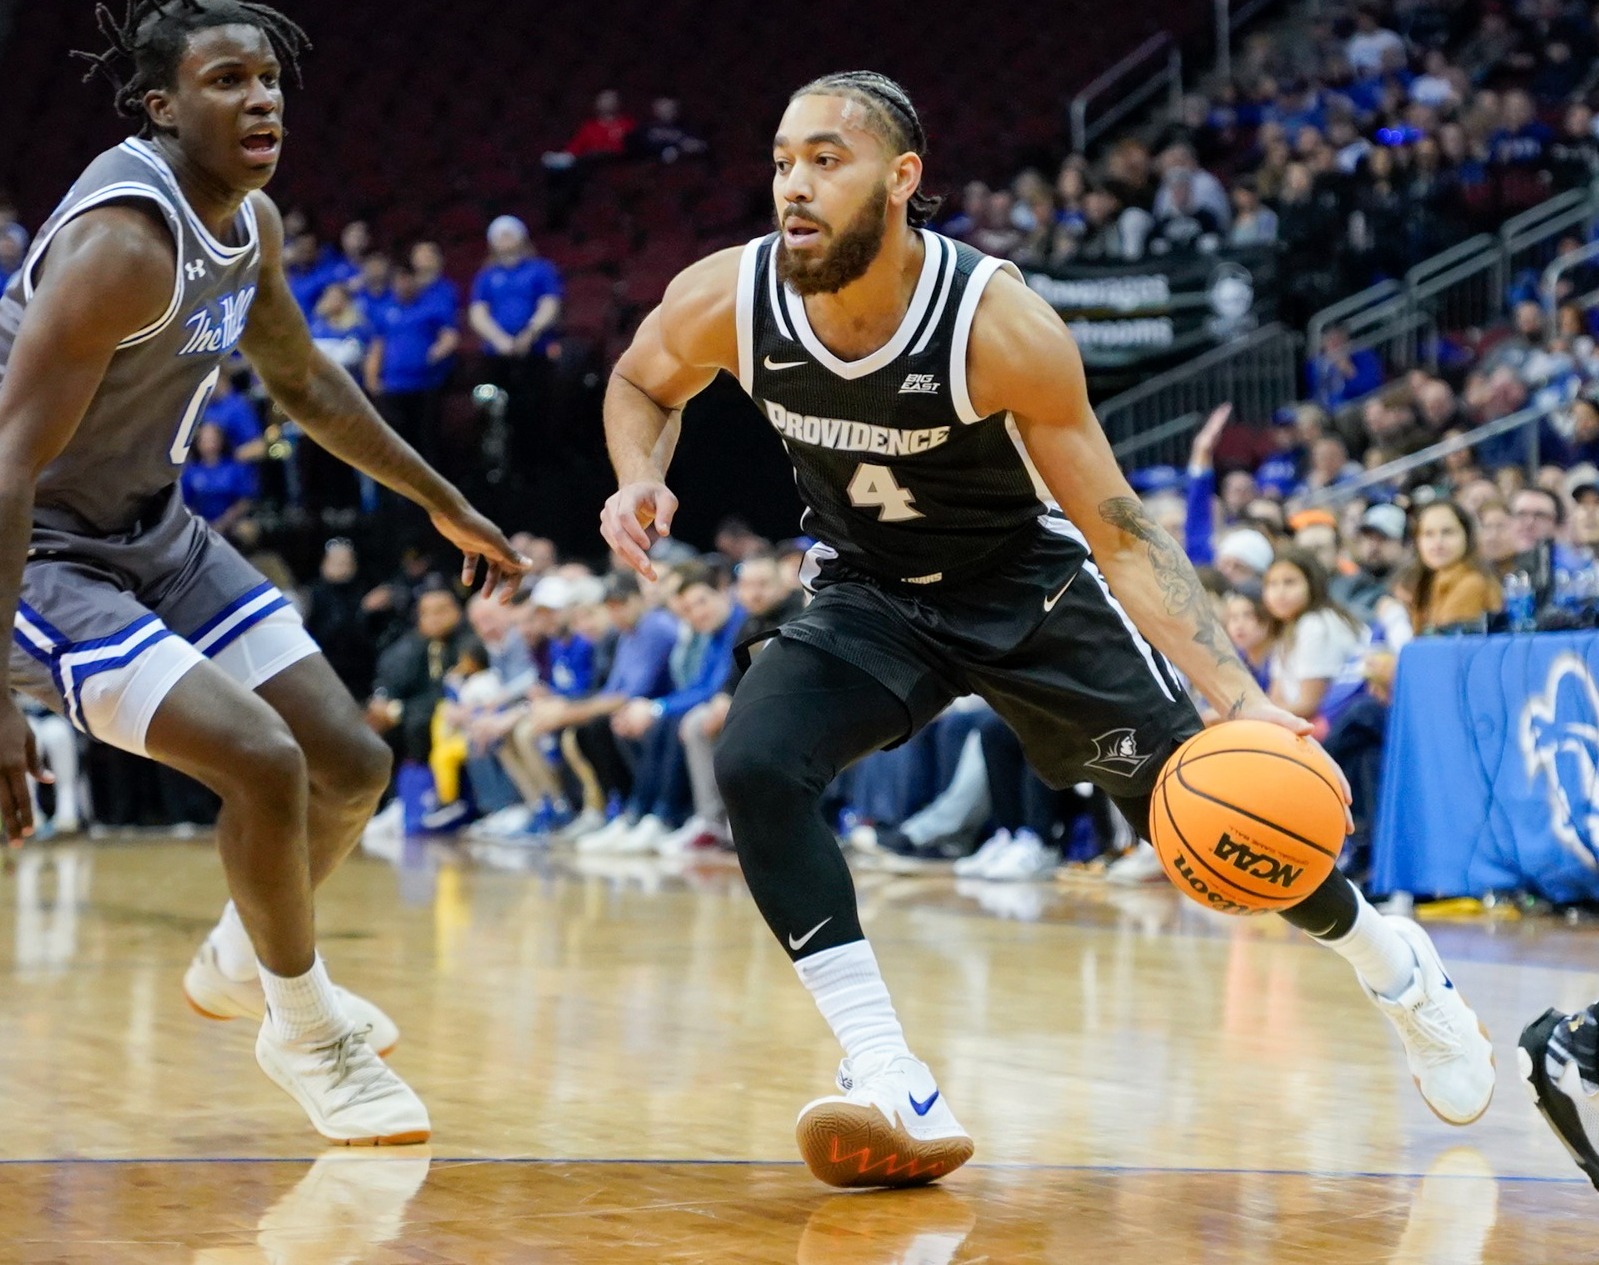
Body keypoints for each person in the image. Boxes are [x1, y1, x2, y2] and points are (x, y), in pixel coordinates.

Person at [598, 70, 1493, 1190]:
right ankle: (890, 1072)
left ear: (903, 177)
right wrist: (638, 475)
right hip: (871, 592)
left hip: (1025, 592)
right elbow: (640, 379)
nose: (796, 183)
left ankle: (1390, 961)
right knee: (756, 761)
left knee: (1207, 823)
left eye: (829, 158)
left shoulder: (998, 324)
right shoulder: (729, 297)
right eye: (784, 159)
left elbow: (1119, 531)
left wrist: (1241, 696)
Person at [0, 0, 528, 1145]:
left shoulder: (251, 224)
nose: (261, 100)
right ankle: (307, 1030)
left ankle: (248, 960)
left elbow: (304, 381)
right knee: (261, 758)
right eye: (229, 80)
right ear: (163, 107)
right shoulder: (123, 247)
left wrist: (441, 500)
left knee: (350, 763)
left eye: (272, 80)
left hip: (157, 526)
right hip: (38, 548)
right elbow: (6, 462)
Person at [1395, 501, 1504, 634]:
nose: (1438, 542)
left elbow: (1443, 647)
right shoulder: (1420, 585)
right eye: (1428, 534)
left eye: (1447, 532)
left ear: (1467, 536)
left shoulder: (1472, 584)